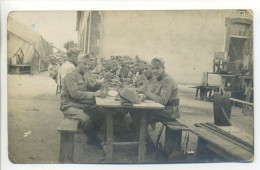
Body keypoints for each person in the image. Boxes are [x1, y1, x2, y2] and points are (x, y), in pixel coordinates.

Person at [131, 58, 180, 157]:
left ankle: (147, 145)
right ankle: (147, 144)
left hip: (170, 111)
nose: (154, 71)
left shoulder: (167, 80)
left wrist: (146, 92)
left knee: (139, 117)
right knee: (136, 114)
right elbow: (154, 94)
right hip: (162, 109)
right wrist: (144, 95)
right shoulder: (159, 78)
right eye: (153, 68)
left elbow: (162, 101)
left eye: (157, 68)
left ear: (163, 68)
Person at [60, 53, 106, 146]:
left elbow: (91, 86)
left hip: (81, 103)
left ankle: (91, 137)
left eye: (88, 64)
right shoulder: (70, 75)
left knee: (102, 112)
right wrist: (94, 94)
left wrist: (98, 84)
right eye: (84, 64)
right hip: (70, 105)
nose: (87, 66)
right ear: (78, 63)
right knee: (86, 119)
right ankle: (93, 139)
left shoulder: (85, 74)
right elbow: (75, 94)